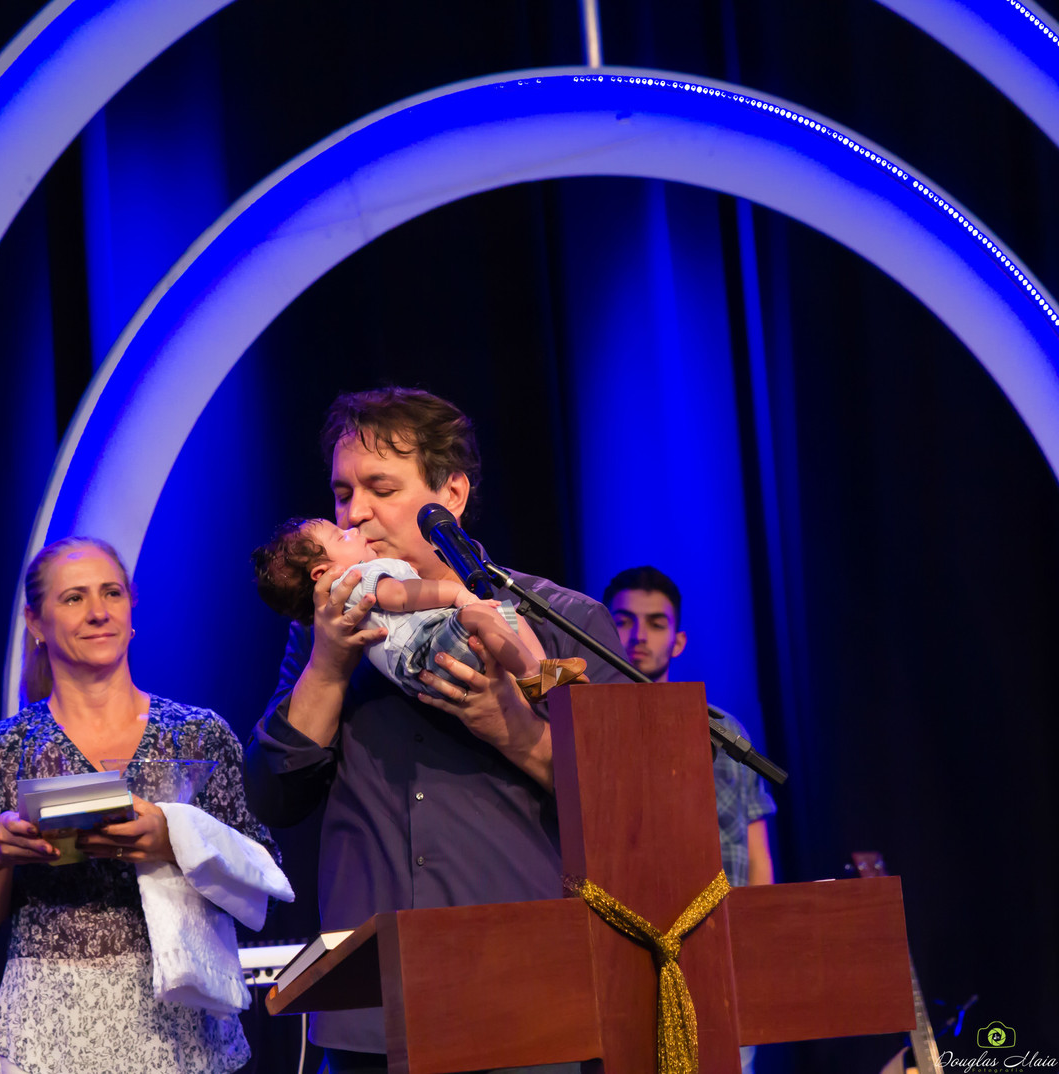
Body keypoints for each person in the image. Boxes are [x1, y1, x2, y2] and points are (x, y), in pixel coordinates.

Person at [245, 387, 630, 1074]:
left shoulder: (560, 620)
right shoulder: (319, 635)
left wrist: (514, 732)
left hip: (527, 1000)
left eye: (380, 487)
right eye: (341, 492)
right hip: (373, 1013)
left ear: (449, 495)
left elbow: (634, 815)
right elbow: (274, 798)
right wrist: (331, 665)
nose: (353, 511)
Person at [0, 536, 280, 1074]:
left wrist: (171, 840)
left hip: (185, 1027)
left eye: (112, 593)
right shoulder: (1, 752)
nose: (98, 612)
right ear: (35, 621)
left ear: (132, 607)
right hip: (48, 1033)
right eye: (74, 598)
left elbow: (263, 880)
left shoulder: (198, 735)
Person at [603, 565, 775, 1074]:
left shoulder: (723, 730)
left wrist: (759, 951)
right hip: (627, 965)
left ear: (677, 641)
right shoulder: (585, 729)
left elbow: (757, 858)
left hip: (721, 965)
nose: (638, 636)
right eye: (624, 620)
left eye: (656, 624)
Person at [251, 517, 587, 702]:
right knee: (485, 613)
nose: (354, 526)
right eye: (341, 537)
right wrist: (456, 593)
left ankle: (541, 669)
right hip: (424, 651)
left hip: (433, 642)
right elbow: (400, 595)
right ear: (322, 574)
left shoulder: (360, 578)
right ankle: (532, 675)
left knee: (504, 609)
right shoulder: (352, 581)